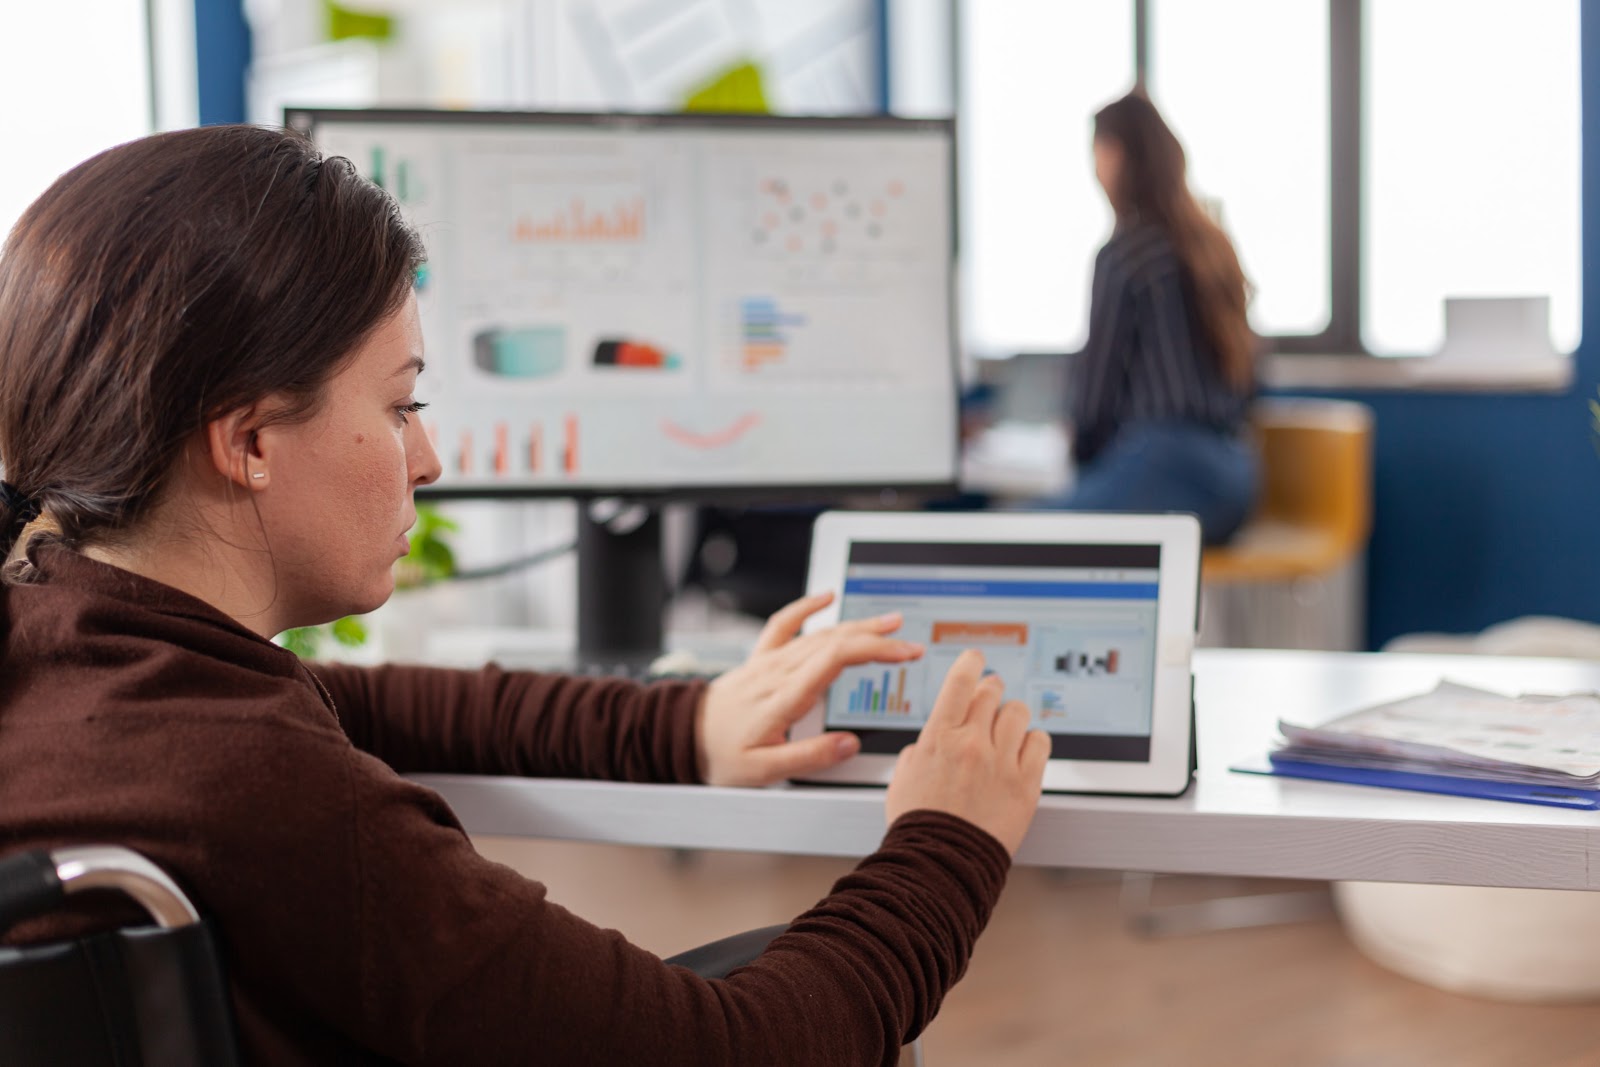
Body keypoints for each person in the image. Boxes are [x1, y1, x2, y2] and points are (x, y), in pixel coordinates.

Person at [0, 126, 1050, 1065]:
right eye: (400, 403)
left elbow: (360, 704)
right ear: (250, 440)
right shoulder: (270, 797)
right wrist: (946, 836)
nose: (431, 454)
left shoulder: (70, 654)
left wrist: (688, 722)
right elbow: (750, 1048)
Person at [1047, 90, 1259, 545]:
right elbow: (1252, 378)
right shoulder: (1211, 247)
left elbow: (1094, 401)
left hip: (1164, 462)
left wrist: (1083, 465)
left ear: (1115, 154)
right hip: (1236, 477)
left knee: (1020, 532)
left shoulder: (1125, 253)